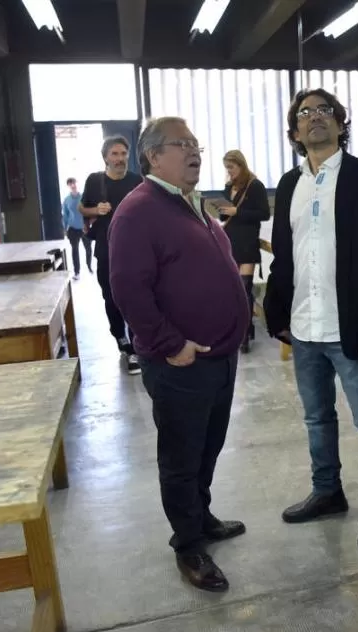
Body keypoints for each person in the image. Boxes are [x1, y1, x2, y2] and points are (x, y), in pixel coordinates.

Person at [109, 116, 249, 592]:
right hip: (180, 362)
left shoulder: (193, 203)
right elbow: (128, 289)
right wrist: (171, 344)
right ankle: (188, 544)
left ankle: (202, 516)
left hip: (219, 356)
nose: (194, 151)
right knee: (182, 455)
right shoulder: (138, 210)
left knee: (207, 446)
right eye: (182, 144)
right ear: (153, 155)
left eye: (196, 143)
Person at [263, 89, 358, 553]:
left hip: (353, 330)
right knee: (316, 419)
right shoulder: (288, 185)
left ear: (342, 124)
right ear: (294, 133)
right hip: (304, 328)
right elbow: (284, 256)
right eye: (305, 113)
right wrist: (277, 313)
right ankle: (328, 492)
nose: (315, 118)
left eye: (325, 111)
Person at [79, 135, 144, 374]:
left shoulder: (137, 181)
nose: (120, 159)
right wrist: (96, 209)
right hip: (106, 250)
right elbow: (82, 208)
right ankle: (122, 339)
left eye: (123, 154)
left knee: (138, 295)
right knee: (111, 296)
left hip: (135, 249)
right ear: (105, 157)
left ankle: (136, 347)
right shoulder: (95, 181)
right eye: (115, 154)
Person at [217, 150, 270, 353]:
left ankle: (245, 333)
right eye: (226, 168)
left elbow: (264, 213)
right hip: (230, 241)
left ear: (241, 165)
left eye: (231, 167)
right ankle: (238, 328)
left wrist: (237, 211)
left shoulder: (255, 186)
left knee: (244, 288)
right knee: (232, 289)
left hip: (247, 241)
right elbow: (224, 217)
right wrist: (223, 209)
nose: (229, 172)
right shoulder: (229, 186)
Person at [62, 177, 92, 279]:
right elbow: (65, 215)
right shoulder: (66, 200)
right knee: (75, 250)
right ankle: (77, 272)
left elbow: (89, 210)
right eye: (70, 184)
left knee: (88, 248)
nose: (73, 185)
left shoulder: (84, 197)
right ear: (68, 186)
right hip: (73, 229)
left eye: (74, 183)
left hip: (84, 227)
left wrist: (90, 224)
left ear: (76, 184)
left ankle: (89, 266)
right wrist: (65, 229)